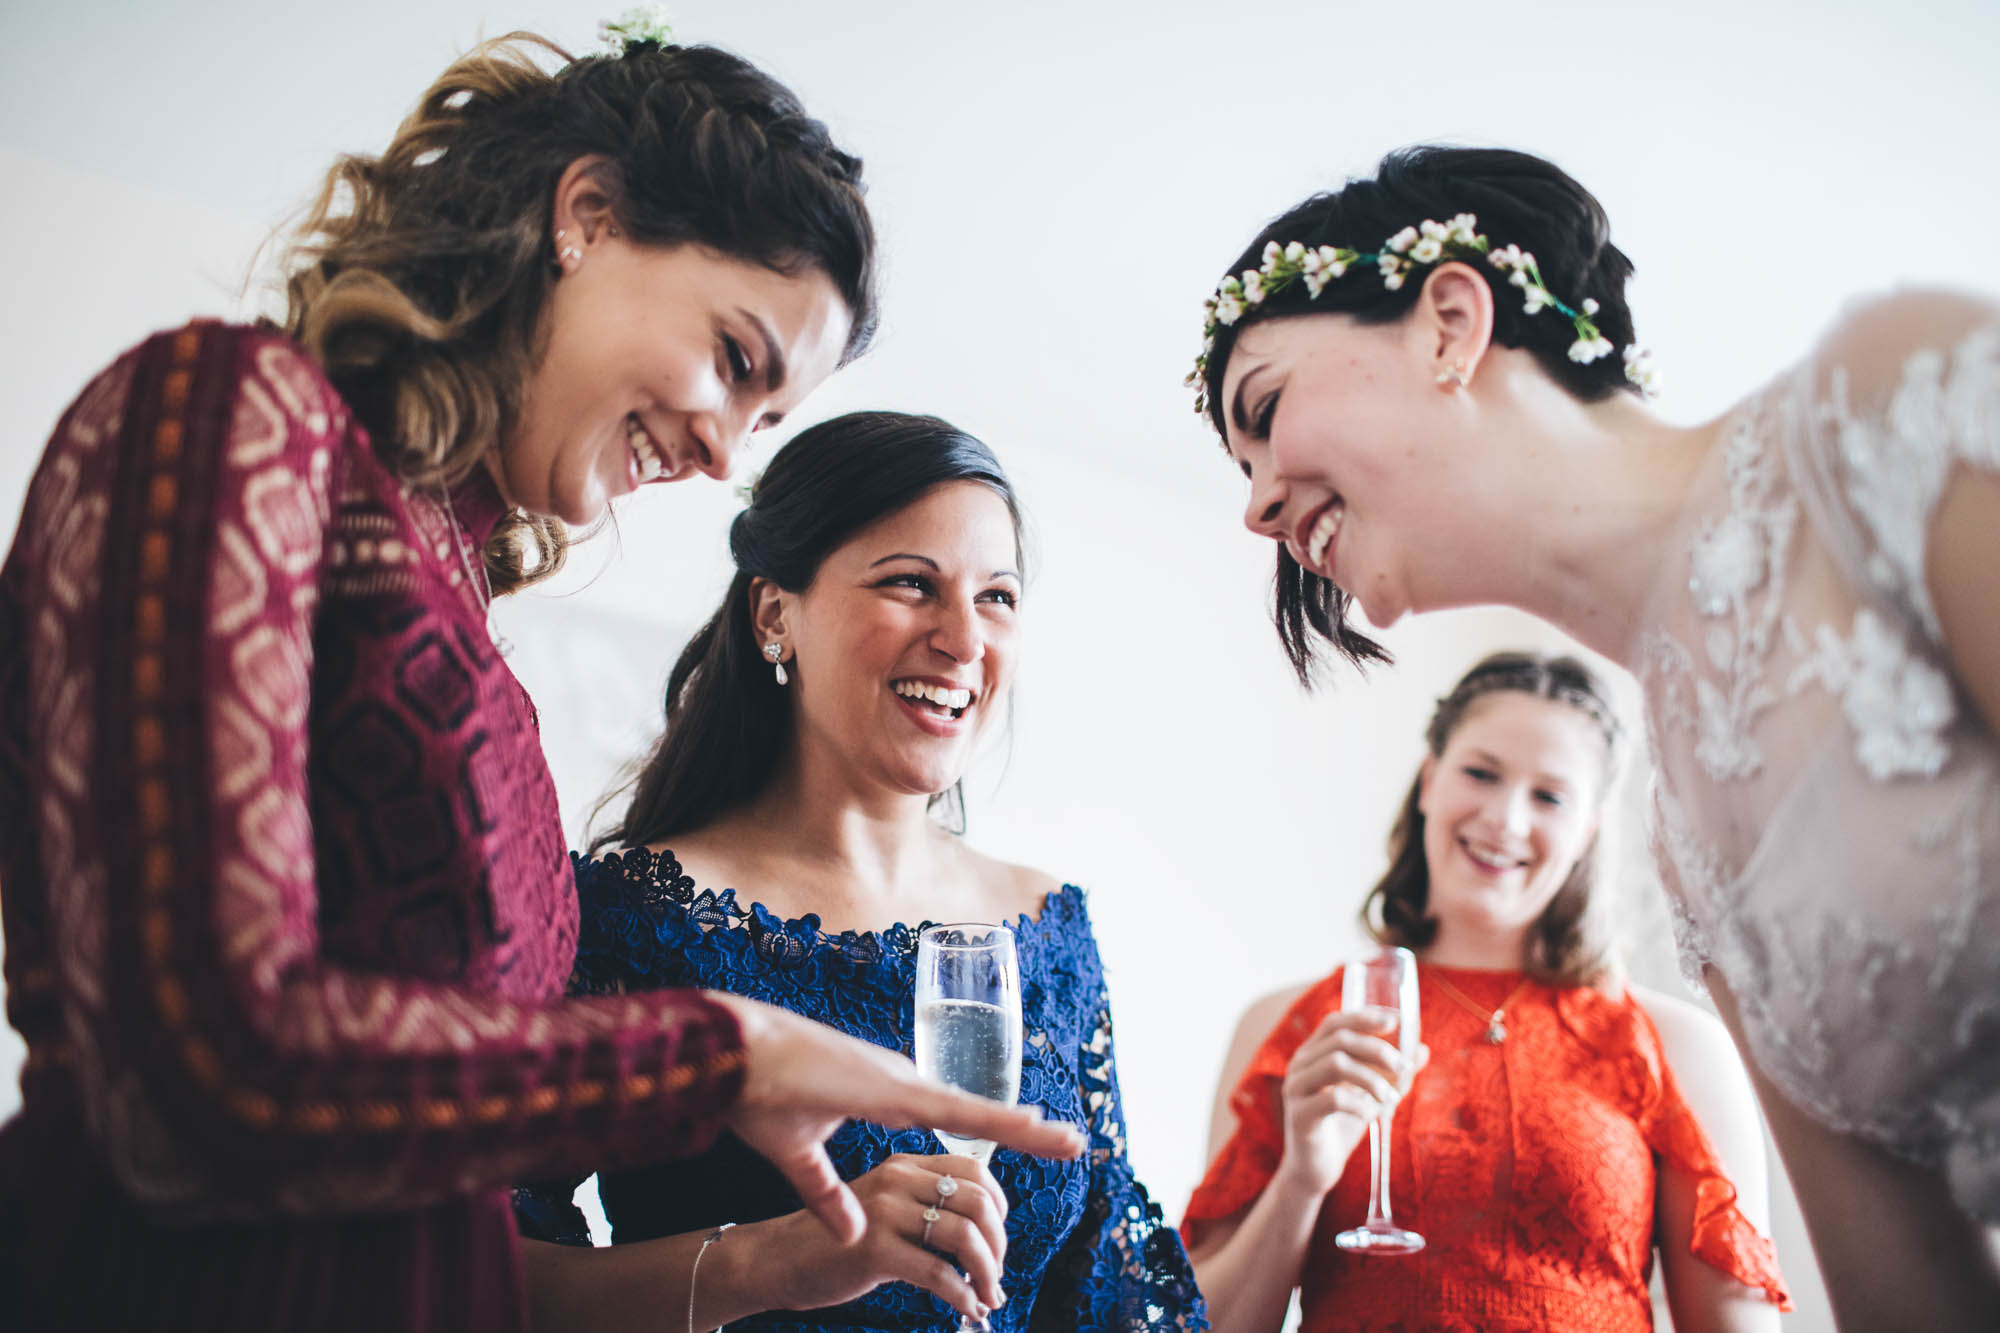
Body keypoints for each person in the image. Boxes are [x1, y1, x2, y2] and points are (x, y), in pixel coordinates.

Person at [0, 26, 1080, 1333]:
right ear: (588, 217)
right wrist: (714, 1058)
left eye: (765, 419)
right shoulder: (228, 413)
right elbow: (192, 1073)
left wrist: (775, 1242)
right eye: (734, 357)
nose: (721, 455)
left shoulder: (461, 603)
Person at [1188, 143, 2000, 1328]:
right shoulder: (1688, 833)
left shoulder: (1874, 419)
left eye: (1263, 414)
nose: (1255, 504)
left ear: (1449, 322)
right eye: (1241, 464)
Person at [512, 410, 1208, 1332]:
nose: (964, 639)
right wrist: (771, 1259)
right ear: (775, 613)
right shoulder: (626, 917)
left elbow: (1111, 1284)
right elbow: (492, 1277)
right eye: (912, 583)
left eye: (997, 596)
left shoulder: (1049, 926)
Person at [1181, 651, 1788, 1332]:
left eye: (1549, 796)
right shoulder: (1290, 1029)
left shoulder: (1676, 1045)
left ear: (1587, 831)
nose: (1504, 818)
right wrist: (1301, 1179)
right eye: (1481, 773)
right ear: (1429, 780)